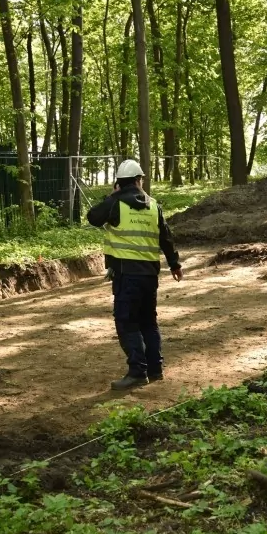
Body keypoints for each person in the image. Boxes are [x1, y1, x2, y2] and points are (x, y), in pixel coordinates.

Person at [87, 159, 183, 390]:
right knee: (148, 321)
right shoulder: (154, 205)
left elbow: (93, 217)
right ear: (139, 180)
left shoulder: (115, 203)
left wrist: (112, 196)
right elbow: (165, 237)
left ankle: (138, 372)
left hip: (126, 274)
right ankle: (155, 369)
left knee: (127, 322)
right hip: (149, 275)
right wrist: (174, 264)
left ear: (119, 182)